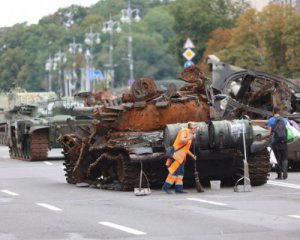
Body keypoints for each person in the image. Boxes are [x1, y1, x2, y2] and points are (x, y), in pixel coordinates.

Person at [162, 122, 198, 194]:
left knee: (180, 174)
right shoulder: (184, 131)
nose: (193, 129)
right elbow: (181, 140)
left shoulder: (190, 135)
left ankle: (178, 189)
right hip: (176, 156)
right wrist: (190, 137)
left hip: (181, 158)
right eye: (192, 128)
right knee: (173, 172)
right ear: (189, 128)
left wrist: (192, 155)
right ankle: (166, 187)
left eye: (195, 128)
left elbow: (186, 149)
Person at [267, 107, 288, 180]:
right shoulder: (284, 120)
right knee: (284, 157)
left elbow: (269, 132)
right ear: (279, 112)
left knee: (276, 158)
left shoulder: (270, 120)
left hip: (275, 142)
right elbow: (287, 130)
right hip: (284, 141)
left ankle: (279, 175)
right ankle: (285, 170)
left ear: (273, 111)